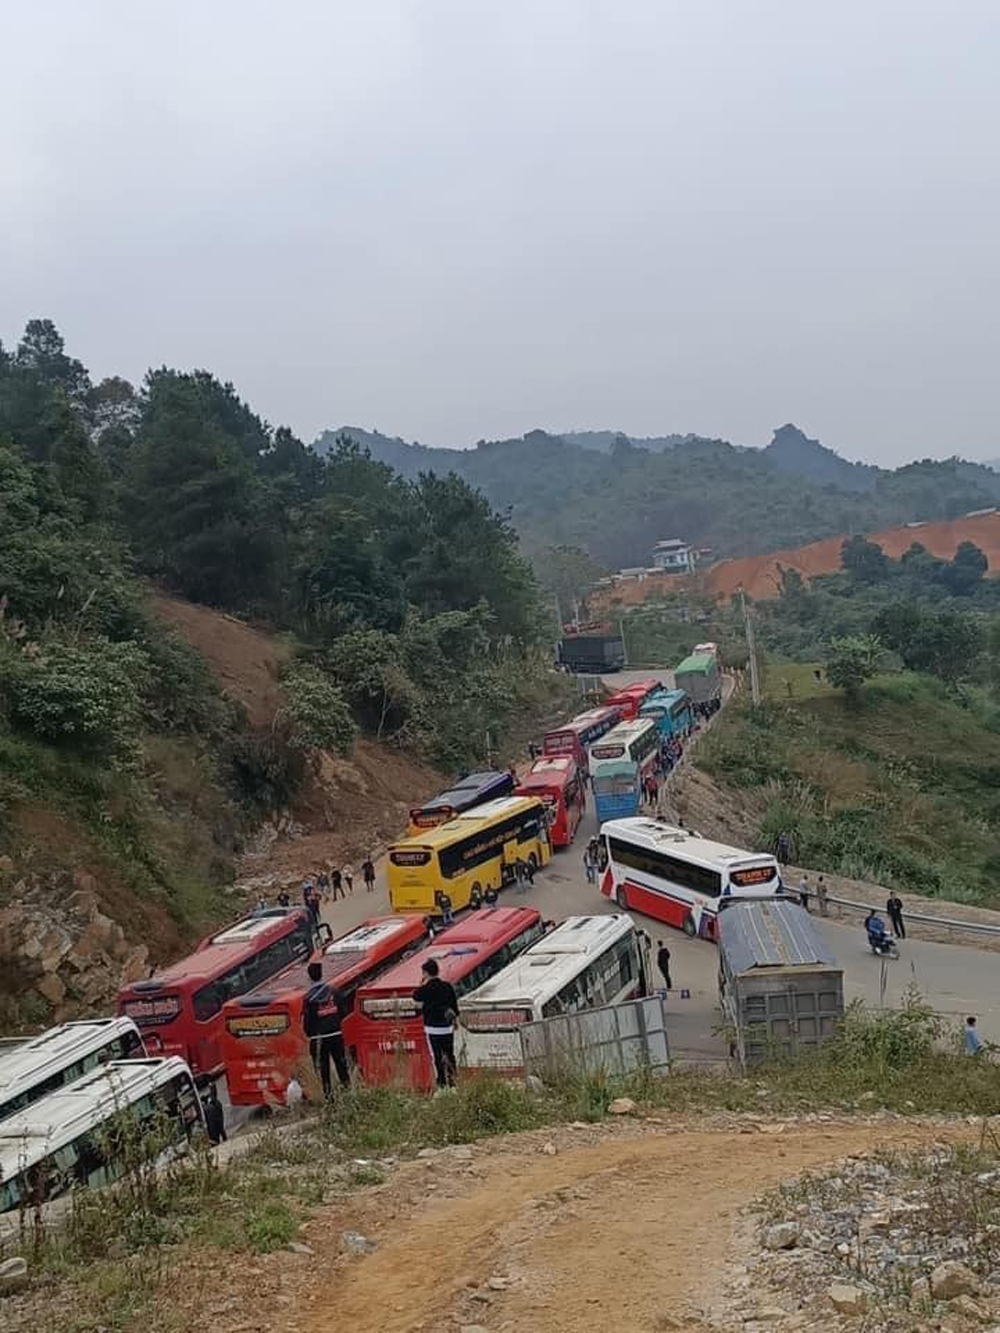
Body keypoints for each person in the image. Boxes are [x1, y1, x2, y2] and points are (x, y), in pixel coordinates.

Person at [302, 961, 350, 1095]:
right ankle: (348, 1094)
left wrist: (310, 1033)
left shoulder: (308, 998)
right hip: (336, 1034)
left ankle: (329, 1100)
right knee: (342, 1066)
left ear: (309, 977)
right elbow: (343, 1011)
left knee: (324, 1071)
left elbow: (307, 1021)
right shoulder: (334, 991)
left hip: (319, 1039)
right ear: (321, 974)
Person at [413, 957, 459, 1090]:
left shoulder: (425, 989)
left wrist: (422, 983)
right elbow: (454, 1006)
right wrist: (455, 1021)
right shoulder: (447, 986)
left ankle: (442, 1083)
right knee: (449, 1054)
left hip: (432, 1028)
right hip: (447, 1027)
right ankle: (453, 1082)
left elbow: (415, 996)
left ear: (426, 973)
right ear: (438, 971)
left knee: (437, 1056)